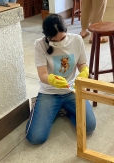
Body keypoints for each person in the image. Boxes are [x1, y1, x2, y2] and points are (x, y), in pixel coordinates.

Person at [25, 14, 96, 144]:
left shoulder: (77, 40)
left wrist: (85, 71)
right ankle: (51, 108)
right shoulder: (40, 45)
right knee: (35, 137)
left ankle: (64, 110)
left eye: (62, 38)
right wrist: (51, 79)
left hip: (71, 90)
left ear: (66, 31)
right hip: (49, 92)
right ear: (47, 36)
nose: (59, 42)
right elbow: (42, 74)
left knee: (89, 127)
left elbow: (82, 64)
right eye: (54, 41)